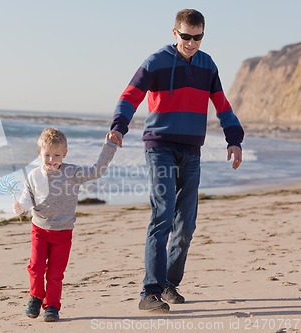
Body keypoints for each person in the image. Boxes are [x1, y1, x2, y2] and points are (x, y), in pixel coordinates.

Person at [107, 8, 244, 313]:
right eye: (186, 36)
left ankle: (169, 284)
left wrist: (234, 139)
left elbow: (222, 106)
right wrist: (119, 127)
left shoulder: (208, 66)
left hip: (191, 151)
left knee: (186, 225)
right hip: (160, 147)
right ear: (175, 33)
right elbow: (130, 96)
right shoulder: (156, 62)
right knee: (163, 215)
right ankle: (150, 292)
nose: (192, 42)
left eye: (198, 37)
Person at [14, 128, 117, 321]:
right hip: (40, 229)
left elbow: (96, 171)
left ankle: (52, 306)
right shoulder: (34, 175)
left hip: (63, 232)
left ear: (65, 154)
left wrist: (110, 145)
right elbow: (27, 196)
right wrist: (22, 207)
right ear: (39, 154)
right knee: (36, 267)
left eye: (56, 155)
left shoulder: (72, 172)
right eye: (47, 155)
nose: (51, 159)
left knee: (55, 273)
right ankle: (36, 297)